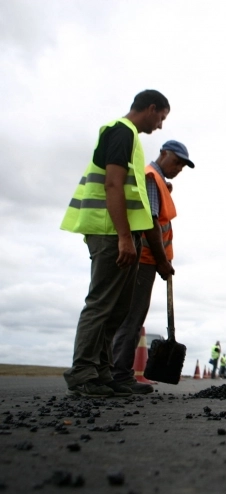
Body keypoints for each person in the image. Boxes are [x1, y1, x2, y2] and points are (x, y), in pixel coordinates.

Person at [61, 90, 171, 398]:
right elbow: (111, 183)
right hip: (110, 231)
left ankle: (105, 373)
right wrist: (124, 237)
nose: (160, 125)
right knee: (101, 303)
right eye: (161, 117)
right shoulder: (120, 131)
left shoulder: (132, 138)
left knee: (119, 308)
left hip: (123, 234)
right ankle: (83, 372)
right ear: (151, 109)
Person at [110, 140, 195, 394]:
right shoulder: (151, 178)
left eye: (182, 165)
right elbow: (152, 224)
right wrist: (161, 261)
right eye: (177, 161)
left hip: (147, 259)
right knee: (132, 318)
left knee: (130, 316)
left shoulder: (159, 183)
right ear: (163, 153)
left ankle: (115, 373)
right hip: (144, 259)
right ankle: (120, 376)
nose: (179, 167)